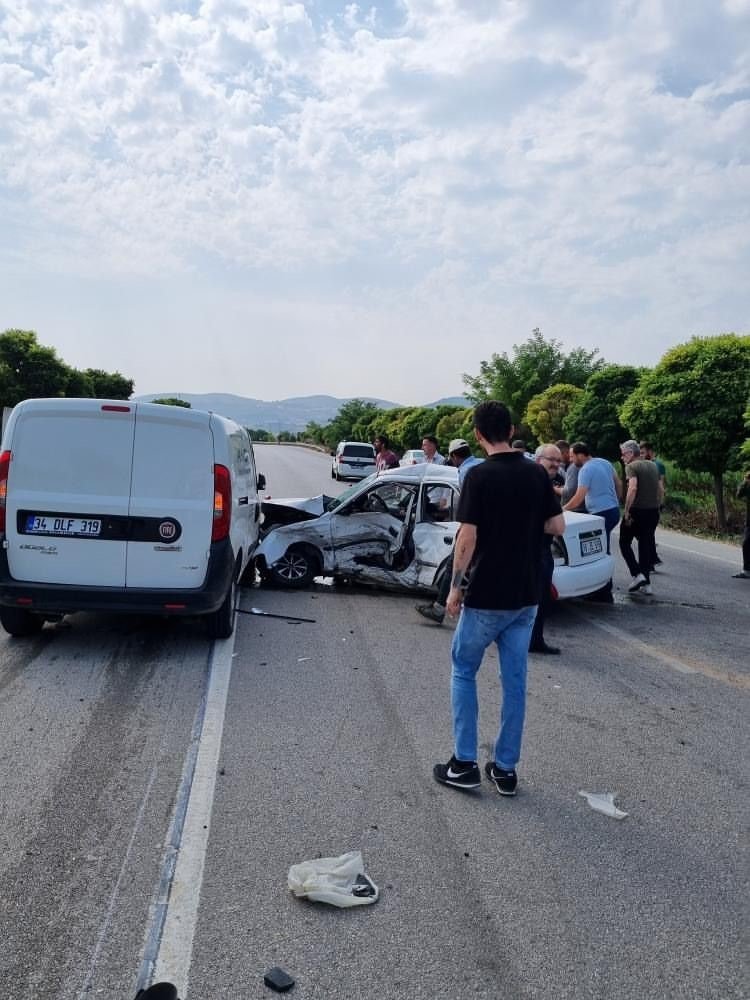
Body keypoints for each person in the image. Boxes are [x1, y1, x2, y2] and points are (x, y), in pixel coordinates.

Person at [433, 402, 564, 796]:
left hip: (487, 595)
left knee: (463, 670)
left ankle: (464, 763)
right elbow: (556, 525)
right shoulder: (537, 474)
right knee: (514, 681)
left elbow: (467, 538)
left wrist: (455, 588)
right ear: (511, 429)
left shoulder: (478, 476)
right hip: (526, 596)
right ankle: (505, 769)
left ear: (477, 435)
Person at [415, 439, 482, 625]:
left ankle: (441, 608)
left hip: (473, 527)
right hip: (491, 528)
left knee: (456, 566)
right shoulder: (481, 464)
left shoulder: (466, 472)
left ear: (453, 456)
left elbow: (469, 503)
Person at [528, 444, 564, 654]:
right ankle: (526, 641)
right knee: (531, 599)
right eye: (553, 459)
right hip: (533, 550)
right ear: (539, 459)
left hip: (543, 549)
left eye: (559, 461)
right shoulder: (533, 483)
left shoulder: (545, 483)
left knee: (541, 598)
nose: (557, 465)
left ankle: (536, 640)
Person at [619, 440, 661, 595]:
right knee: (644, 545)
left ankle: (637, 574)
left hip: (637, 511)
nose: (622, 458)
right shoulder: (653, 465)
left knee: (624, 543)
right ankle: (647, 584)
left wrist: (627, 510)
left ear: (630, 453)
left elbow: (633, 488)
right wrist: (658, 505)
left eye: (623, 454)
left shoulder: (631, 467)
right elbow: (660, 489)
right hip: (653, 511)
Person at [562, 442, 621, 551]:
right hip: (614, 510)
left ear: (580, 455)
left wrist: (562, 509)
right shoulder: (605, 462)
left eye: (572, 456)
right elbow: (618, 484)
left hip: (601, 513)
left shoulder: (585, 470)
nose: (570, 460)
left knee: (601, 549)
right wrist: (616, 501)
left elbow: (578, 498)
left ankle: (604, 566)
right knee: (603, 543)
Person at [639, 440, 666, 566]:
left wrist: (660, 502)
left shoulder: (657, 465)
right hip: (647, 503)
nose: (642, 455)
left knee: (647, 533)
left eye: (643, 452)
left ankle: (652, 560)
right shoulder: (645, 463)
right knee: (647, 533)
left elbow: (660, 485)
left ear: (650, 451)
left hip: (652, 503)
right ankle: (653, 559)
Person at [732, 470, 750, 579]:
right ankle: (747, 570)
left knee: (747, 543)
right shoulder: (748, 486)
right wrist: (745, 482)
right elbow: (738, 495)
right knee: (747, 544)